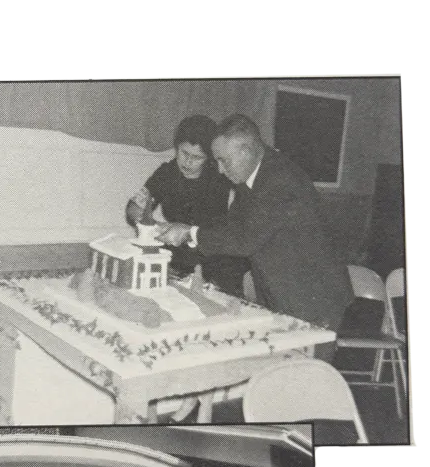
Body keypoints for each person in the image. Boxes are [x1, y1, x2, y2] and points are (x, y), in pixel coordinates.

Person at [158, 114, 352, 336]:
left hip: (312, 298)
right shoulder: (250, 178)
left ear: (246, 151)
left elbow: (244, 239)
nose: (220, 170)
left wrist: (189, 233)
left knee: (305, 368)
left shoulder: (279, 180)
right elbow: (231, 227)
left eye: (224, 160)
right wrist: (186, 230)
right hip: (282, 291)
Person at [126, 114, 244, 292]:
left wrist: (184, 231)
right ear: (176, 147)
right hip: (177, 252)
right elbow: (134, 207)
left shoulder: (219, 177)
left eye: (197, 157)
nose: (188, 162)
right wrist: (154, 225)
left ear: (209, 157)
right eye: (184, 153)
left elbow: (226, 228)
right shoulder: (167, 173)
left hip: (212, 252)